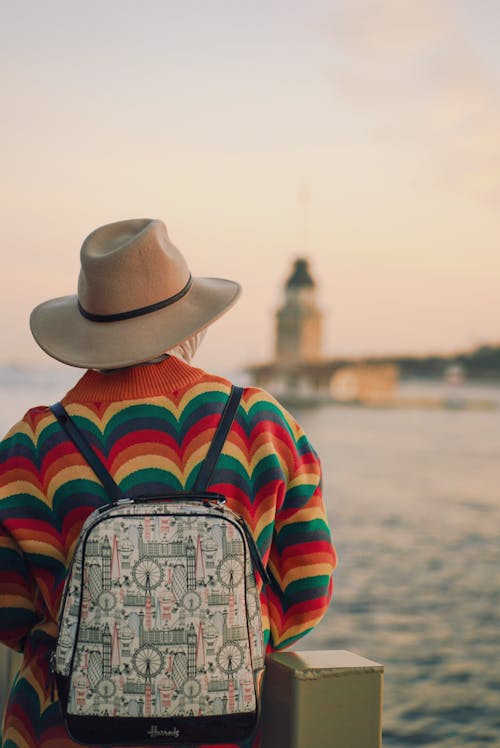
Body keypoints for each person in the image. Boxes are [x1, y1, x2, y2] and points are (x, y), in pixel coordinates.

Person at [0, 218, 337, 748]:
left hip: (60, 730)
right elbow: (307, 587)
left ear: (87, 330)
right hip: (222, 732)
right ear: (192, 325)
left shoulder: (31, 443)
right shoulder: (263, 425)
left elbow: (9, 612)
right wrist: (220, 641)